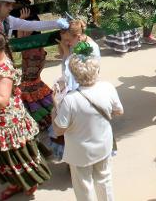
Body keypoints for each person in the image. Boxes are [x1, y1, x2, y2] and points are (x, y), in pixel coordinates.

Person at [0, 19, 51, 200]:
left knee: (13, 157)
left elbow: (3, 101)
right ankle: (16, 183)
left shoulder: (3, 70)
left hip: (7, 123)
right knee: (2, 157)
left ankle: (27, 182)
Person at [52, 52, 123, 201]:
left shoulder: (70, 100)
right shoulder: (108, 87)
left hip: (79, 152)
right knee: (105, 180)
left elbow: (59, 129)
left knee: (83, 186)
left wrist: (55, 105)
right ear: (96, 70)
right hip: (103, 144)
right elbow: (119, 111)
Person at [50, 20, 101, 161]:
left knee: (78, 129)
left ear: (78, 36)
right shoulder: (77, 44)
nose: (66, 43)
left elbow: (74, 73)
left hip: (82, 92)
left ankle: (81, 158)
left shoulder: (90, 49)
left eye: (67, 40)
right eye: (63, 40)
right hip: (76, 90)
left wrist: (66, 54)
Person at [8, 0, 54, 132]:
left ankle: (46, 115)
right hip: (33, 54)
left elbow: (23, 40)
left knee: (29, 85)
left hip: (33, 55)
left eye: (10, 3)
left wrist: (22, 22)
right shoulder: (27, 14)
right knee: (33, 84)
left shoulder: (27, 16)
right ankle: (49, 112)